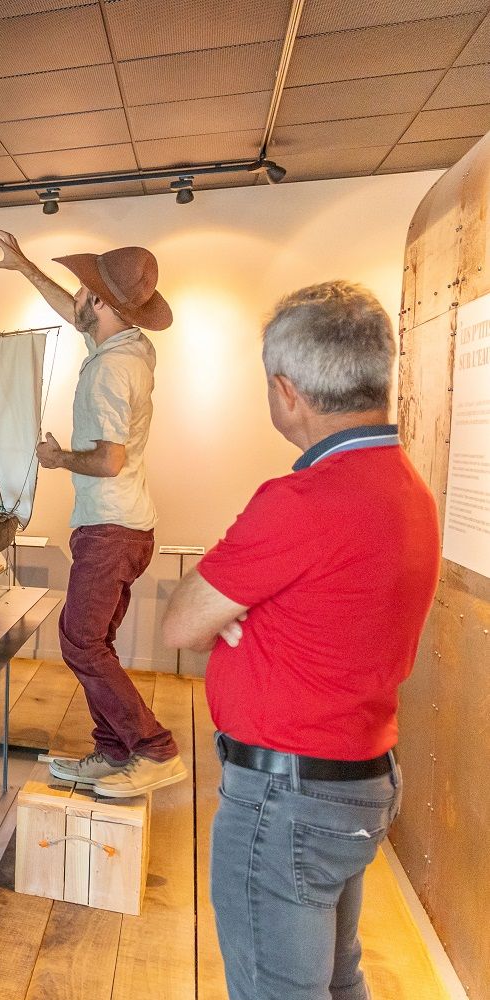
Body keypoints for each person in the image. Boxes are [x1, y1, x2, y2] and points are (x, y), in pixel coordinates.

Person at [164, 282, 437, 1000]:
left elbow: (181, 623)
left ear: (287, 392)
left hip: (287, 798)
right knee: (337, 980)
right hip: (356, 779)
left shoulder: (300, 503)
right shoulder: (407, 488)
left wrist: (232, 607)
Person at [0, 230, 185, 797]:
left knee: (79, 641)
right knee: (94, 641)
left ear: (99, 302)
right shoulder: (130, 347)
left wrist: (57, 459)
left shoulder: (109, 371)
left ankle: (153, 748)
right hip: (127, 525)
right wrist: (25, 266)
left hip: (109, 528)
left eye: (82, 289)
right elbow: (75, 314)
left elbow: (108, 460)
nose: (75, 295)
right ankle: (114, 750)